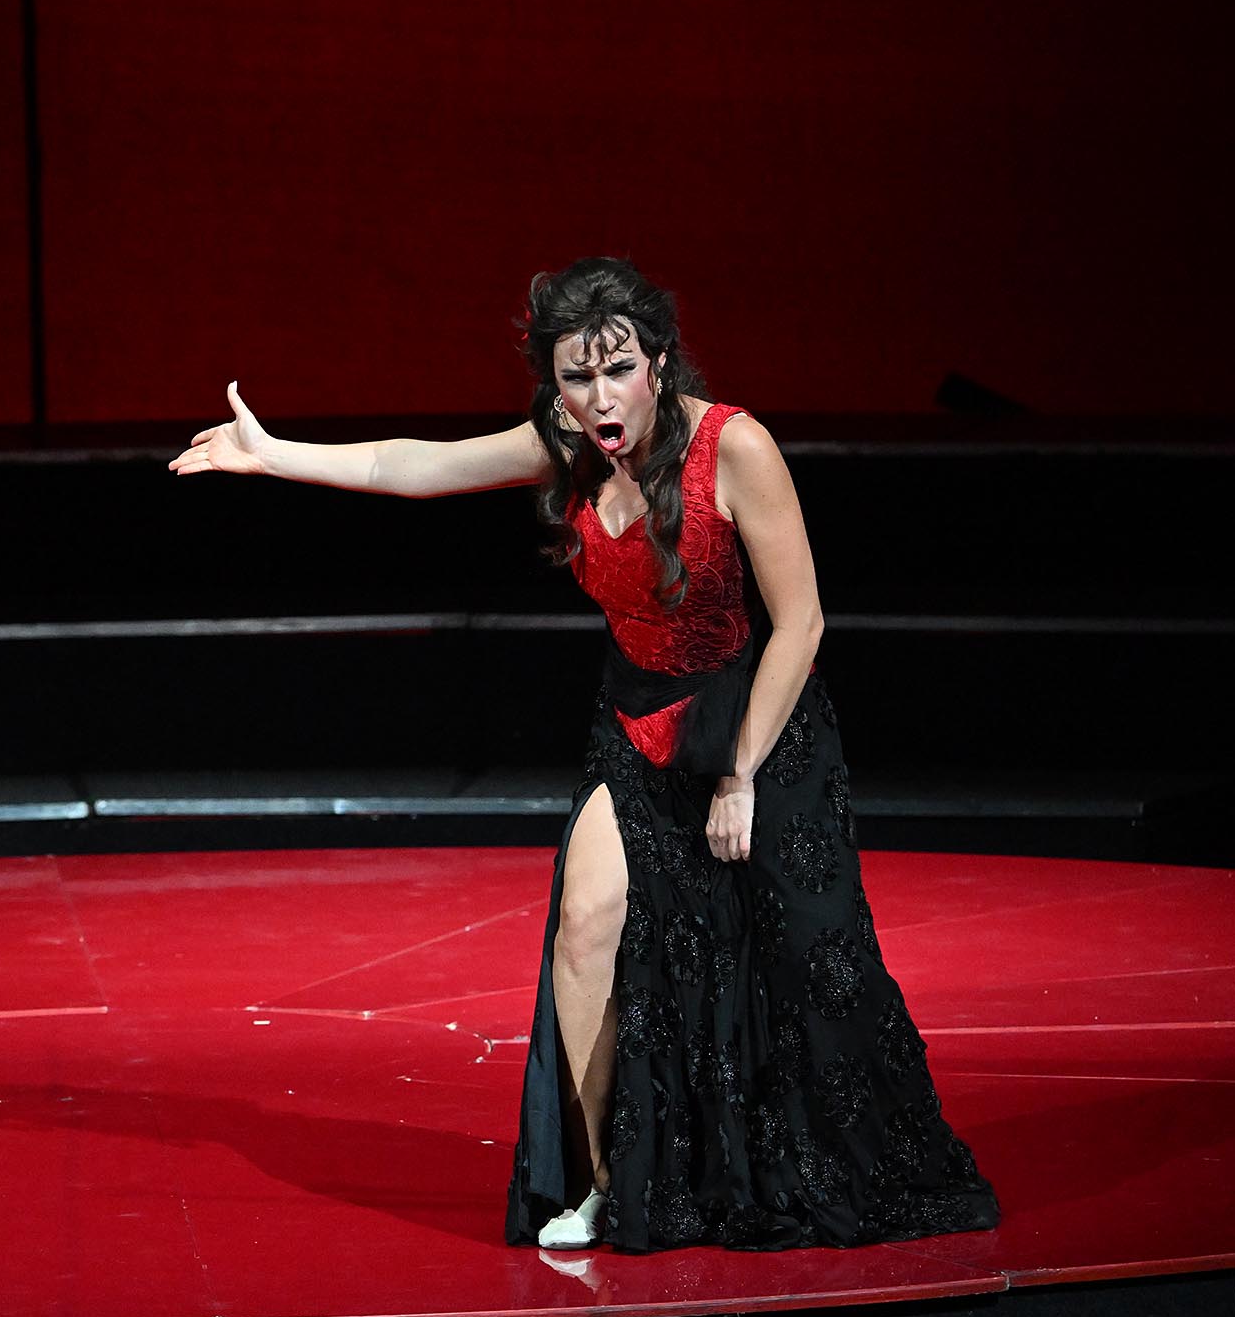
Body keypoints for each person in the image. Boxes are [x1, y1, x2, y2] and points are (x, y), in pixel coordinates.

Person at [169, 257, 997, 1251]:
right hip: (637, 720)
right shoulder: (565, 443)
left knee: (803, 967)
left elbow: (802, 623)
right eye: (576, 377)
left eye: (618, 371)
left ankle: (799, 1163)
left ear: (658, 363)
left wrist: (738, 774)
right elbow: (409, 466)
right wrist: (273, 455)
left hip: (757, 719)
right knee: (585, 922)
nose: (600, 399)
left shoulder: (733, 447)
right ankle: (610, 1181)